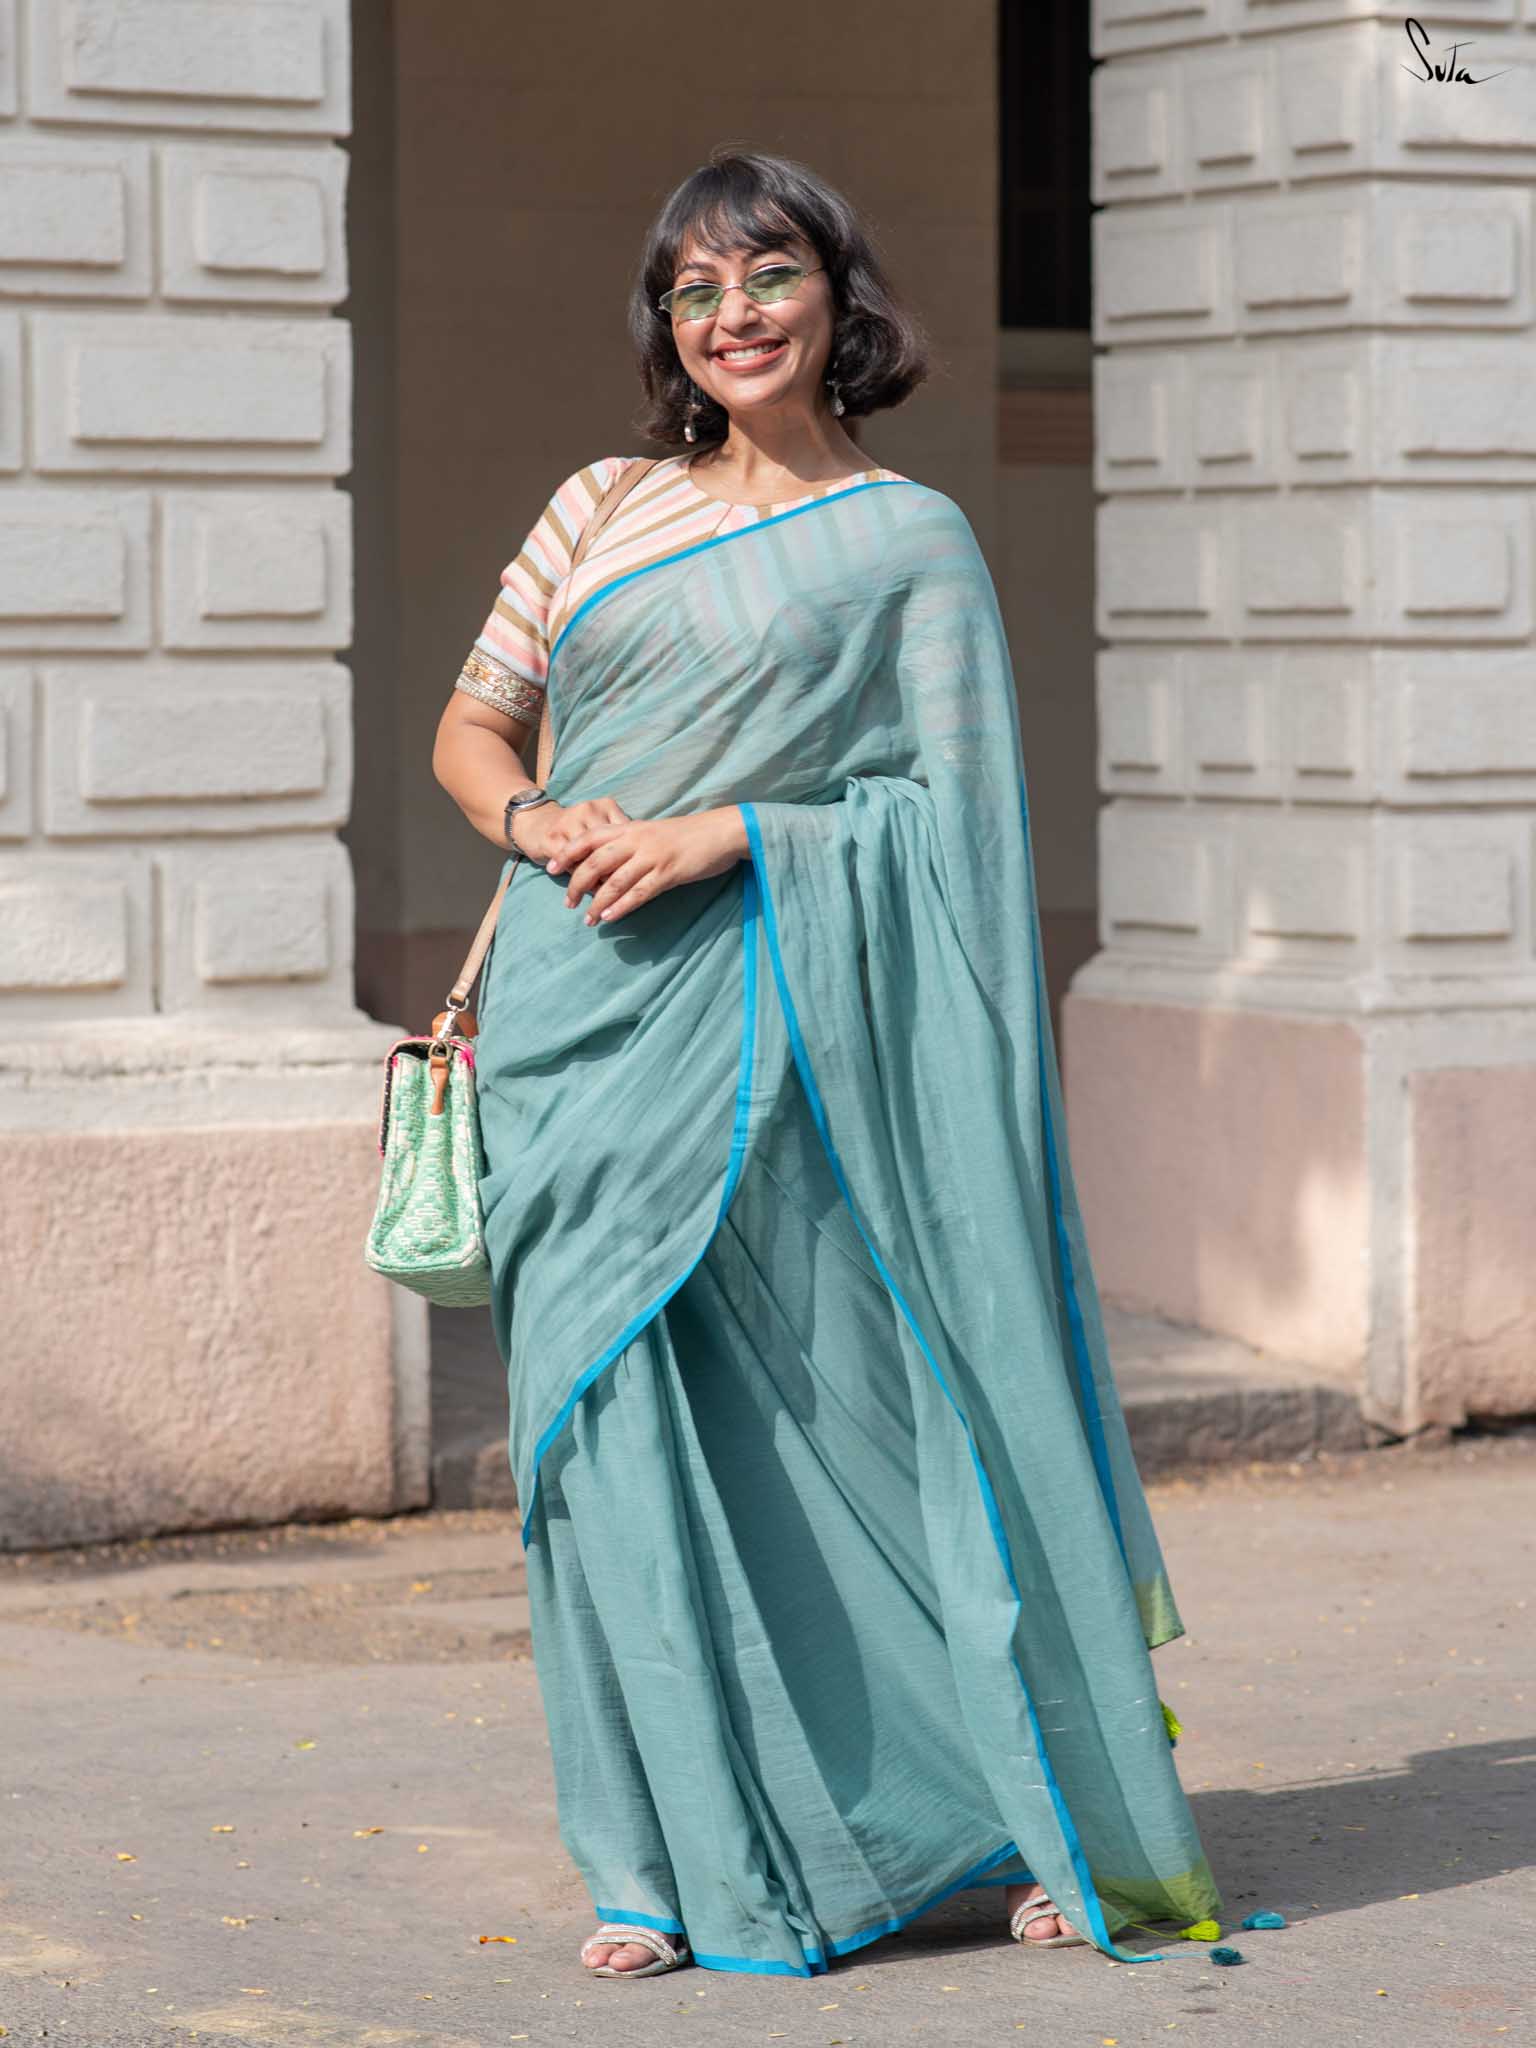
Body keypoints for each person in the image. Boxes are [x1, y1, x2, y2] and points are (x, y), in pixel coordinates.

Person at [431, 147, 1223, 1982]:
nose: (734, 316)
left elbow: (956, 823)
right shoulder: (599, 505)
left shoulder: (908, 540)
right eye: (695, 290)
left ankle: (1012, 1810)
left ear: (837, 296)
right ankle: (656, 1860)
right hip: (570, 1030)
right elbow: (475, 731)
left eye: (768, 275)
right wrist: (544, 822)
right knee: (599, 1435)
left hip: (784, 1023)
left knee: (859, 1406)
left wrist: (732, 834)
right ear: (668, 326)